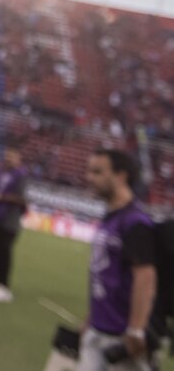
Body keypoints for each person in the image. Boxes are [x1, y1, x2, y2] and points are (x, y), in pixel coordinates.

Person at [79, 149, 157, 371]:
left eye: (97, 172)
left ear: (120, 176)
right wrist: (90, 317)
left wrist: (135, 329)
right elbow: (104, 275)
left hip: (119, 337)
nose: (89, 178)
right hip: (98, 330)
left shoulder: (135, 223)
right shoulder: (110, 218)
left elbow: (145, 276)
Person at [0, 148, 27, 303]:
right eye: (7, 155)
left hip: (10, 221)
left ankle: (4, 286)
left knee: (5, 252)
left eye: (12, 156)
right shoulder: (2, 172)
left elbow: (21, 198)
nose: (8, 159)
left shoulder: (21, 176)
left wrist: (0, 197)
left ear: (18, 158)